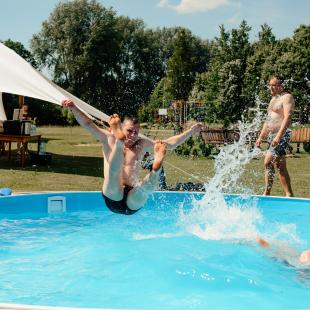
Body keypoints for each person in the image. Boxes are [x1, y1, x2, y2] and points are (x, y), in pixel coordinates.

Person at [62, 99, 203, 215]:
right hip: (113, 194)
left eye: (136, 132)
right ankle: (119, 143)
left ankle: (156, 168)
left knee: (146, 187)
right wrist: (73, 107)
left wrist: (190, 131)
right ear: (121, 128)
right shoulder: (107, 138)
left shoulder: (141, 144)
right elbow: (88, 123)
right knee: (113, 172)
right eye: (129, 131)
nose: (133, 135)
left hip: (132, 199)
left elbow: (169, 144)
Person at [256, 76, 294, 197]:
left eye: (273, 85)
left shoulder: (287, 97)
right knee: (280, 166)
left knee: (268, 161)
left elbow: (287, 117)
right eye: (270, 85)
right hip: (273, 135)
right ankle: (289, 194)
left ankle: (267, 193)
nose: (270, 87)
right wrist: (261, 137)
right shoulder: (273, 99)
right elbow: (268, 121)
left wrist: (278, 136)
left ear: (281, 86)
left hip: (282, 134)